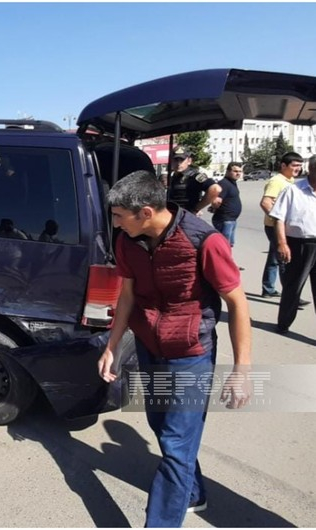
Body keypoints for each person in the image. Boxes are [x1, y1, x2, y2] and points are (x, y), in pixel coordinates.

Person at [98, 170, 252, 527]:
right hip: (149, 346)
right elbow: (127, 295)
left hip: (190, 354)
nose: (115, 224)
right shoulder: (127, 242)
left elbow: (237, 303)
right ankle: (193, 493)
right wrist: (112, 346)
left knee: (176, 443)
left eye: (119, 216)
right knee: (161, 425)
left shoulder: (204, 241)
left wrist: (241, 370)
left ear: (146, 212)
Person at [270, 155, 316, 334]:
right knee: (293, 287)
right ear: (312, 169)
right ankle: (284, 324)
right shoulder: (293, 190)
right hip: (299, 245)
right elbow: (278, 219)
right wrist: (282, 243)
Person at [259, 152, 307, 300]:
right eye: (294, 165)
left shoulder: (290, 180)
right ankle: (291, 295)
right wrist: (278, 220)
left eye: (299, 165)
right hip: (275, 227)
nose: (298, 168)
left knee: (274, 258)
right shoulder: (276, 181)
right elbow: (266, 203)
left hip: (280, 226)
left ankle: (268, 288)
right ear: (283, 165)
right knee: (285, 259)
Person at [167, 146, 220, 215]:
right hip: (173, 214)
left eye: (182, 160)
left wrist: (196, 209)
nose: (178, 163)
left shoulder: (194, 176)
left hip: (186, 216)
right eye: (176, 160)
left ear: (189, 161)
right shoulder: (172, 177)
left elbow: (215, 189)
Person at [210, 162, 244, 246]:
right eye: (235, 171)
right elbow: (216, 200)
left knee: (229, 244)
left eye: (240, 171)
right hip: (224, 220)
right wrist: (215, 208)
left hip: (231, 219)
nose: (238, 173)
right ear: (228, 171)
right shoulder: (224, 183)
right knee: (224, 245)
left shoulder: (232, 183)